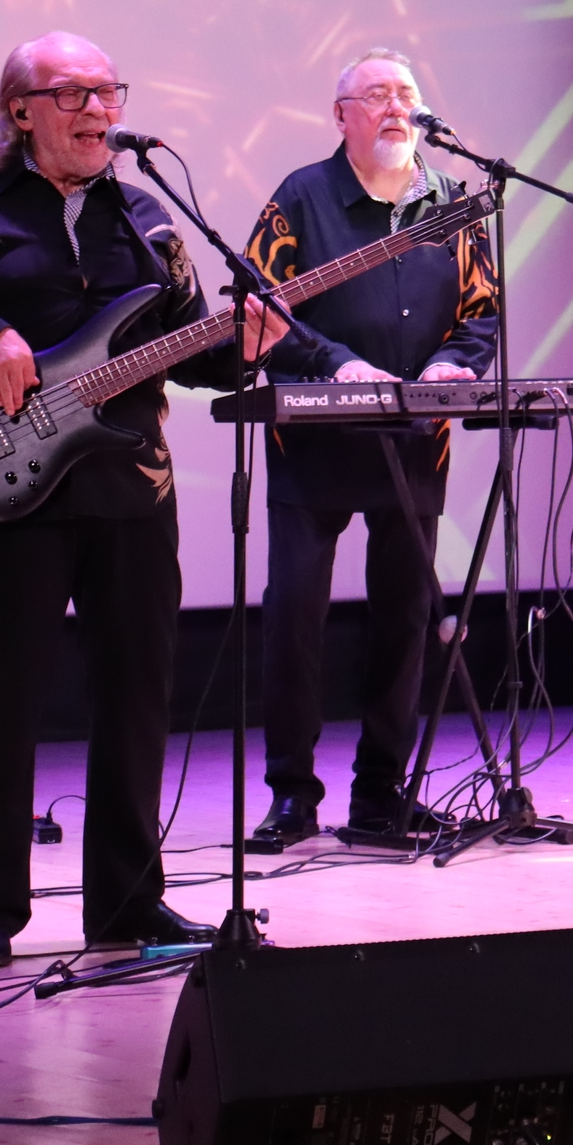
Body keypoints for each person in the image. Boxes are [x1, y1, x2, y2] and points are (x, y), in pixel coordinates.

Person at [0, 31, 287, 970]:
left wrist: (245, 345)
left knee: (138, 696)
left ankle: (128, 904)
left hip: (131, 489)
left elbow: (192, 352)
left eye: (108, 91)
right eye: (73, 93)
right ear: (20, 110)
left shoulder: (149, 221)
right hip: (10, 495)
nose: (99, 108)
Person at [242, 49, 494, 848]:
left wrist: (454, 364)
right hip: (312, 440)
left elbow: (483, 310)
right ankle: (292, 795)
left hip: (417, 441)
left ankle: (381, 794)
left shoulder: (454, 201)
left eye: (406, 93)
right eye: (376, 94)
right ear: (340, 114)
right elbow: (258, 308)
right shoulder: (300, 196)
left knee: (407, 615)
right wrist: (336, 363)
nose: (395, 107)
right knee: (294, 617)